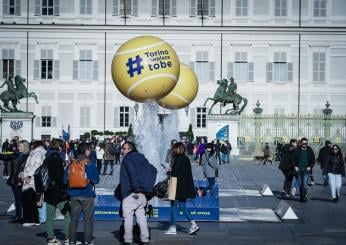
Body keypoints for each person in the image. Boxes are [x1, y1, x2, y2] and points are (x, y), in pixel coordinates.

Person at [64, 144, 100, 245]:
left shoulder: (71, 164)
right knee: (88, 219)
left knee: (73, 219)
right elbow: (96, 180)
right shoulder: (90, 164)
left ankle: (71, 240)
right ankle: (87, 241)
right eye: (89, 149)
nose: (90, 151)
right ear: (86, 151)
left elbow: (64, 180)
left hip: (73, 195)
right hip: (87, 195)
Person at [165, 142, 199, 236]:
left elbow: (175, 173)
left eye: (174, 149)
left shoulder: (178, 159)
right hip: (184, 187)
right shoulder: (186, 159)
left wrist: (168, 172)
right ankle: (193, 224)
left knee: (173, 206)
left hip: (176, 186)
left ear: (178, 149)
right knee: (182, 206)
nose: (173, 150)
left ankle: (172, 227)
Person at [119, 141, 150, 245]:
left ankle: (128, 240)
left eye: (124, 148)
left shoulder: (128, 159)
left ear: (130, 149)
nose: (122, 150)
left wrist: (136, 187)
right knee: (141, 217)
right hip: (143, 193)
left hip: (130, 192)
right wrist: (147, 187)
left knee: (128, 217)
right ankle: (145, 239)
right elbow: (153, 170)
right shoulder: (143, 158)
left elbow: (132, 174)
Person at [44, 139, 70, 245]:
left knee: (49, 216)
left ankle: (50, 238)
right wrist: (64, 188)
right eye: (62, 146)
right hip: (58, 192)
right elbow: (60, 177)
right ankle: (68, 237)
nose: (63, 148)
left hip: (48, 190)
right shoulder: (57, 159)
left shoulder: (47, 158)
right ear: (59, 147)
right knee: (68, 214)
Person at [0, 140, 30, 224]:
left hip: (22, 180)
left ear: (25, 147)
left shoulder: (28, 156)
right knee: (17, 199)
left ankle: (22, 216)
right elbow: (4, 157)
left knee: (21, 199)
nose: (18, 148)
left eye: (20, 146)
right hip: (14, 179)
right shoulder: (15, 154)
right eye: (19, 146)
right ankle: (18, 216)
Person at [22, 140, 46, 227]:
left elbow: (36, 166)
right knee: (33, 201)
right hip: (33, 180)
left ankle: (29, 219)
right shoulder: (39, 152)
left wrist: (28, 175)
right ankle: (36, 219)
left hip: (31, 181)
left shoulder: (37, 153)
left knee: (28, 200)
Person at [293, 138, 315, 203]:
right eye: (303, 143)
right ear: (301, 143)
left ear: (307, 143)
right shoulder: (297, 150)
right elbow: (293, 159)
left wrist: (310, 167)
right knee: (300, 184)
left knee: (304, 184)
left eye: (306, 143)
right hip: (299, 169)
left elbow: (313, 160)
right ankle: (301, 197)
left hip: (306, 169)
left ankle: (304, 197)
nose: (304, 144)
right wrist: (295, 166)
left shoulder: (309, 150)